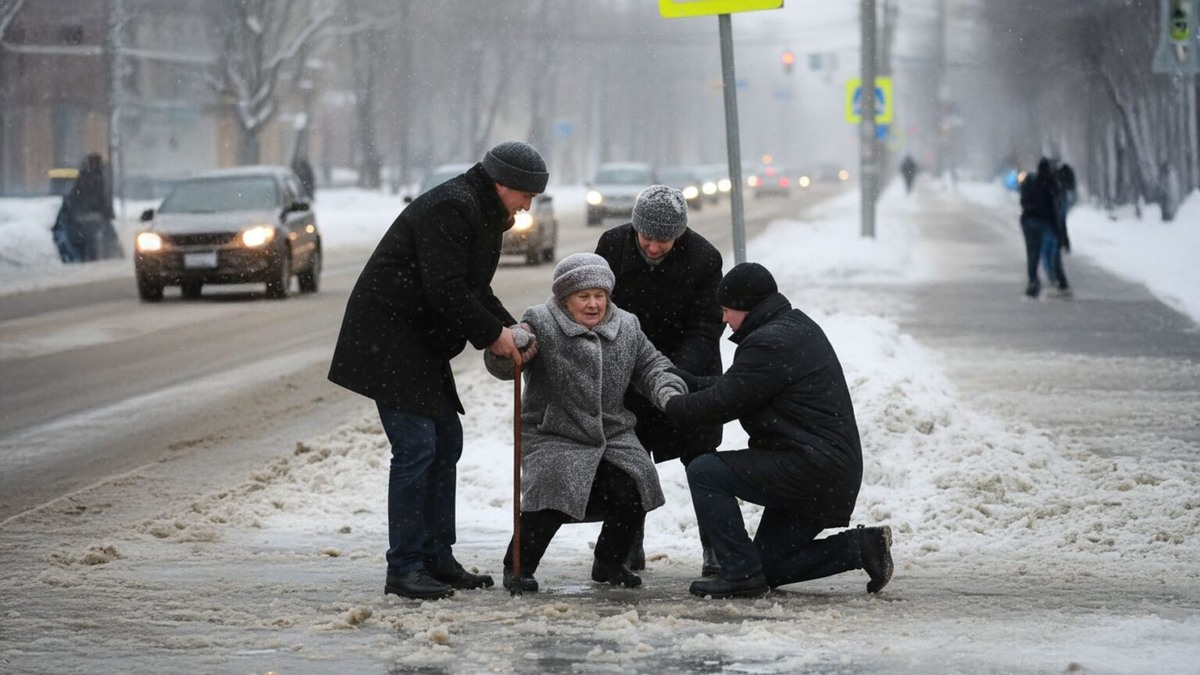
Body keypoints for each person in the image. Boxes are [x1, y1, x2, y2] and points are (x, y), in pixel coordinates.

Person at [328, 140, 549, 600]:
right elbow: (445, 289)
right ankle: (405, 567)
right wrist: (493, 335)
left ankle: (436, 556)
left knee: (446, 442)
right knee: (416, 448)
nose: (529, 205)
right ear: (503, 184)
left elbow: (473, 287)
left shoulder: (481, 210)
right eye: (527, 195)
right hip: (388, 337)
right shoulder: (453, 208)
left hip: (418, 342)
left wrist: (510, 326)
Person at [663, 263, 893, 599]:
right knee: (767, 568)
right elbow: (741, 387)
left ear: (746, 306)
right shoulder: (792, 327)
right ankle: (861, 548)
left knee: (704, 470)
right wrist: (690, 381)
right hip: (824, 472)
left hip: (810, 469)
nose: (724, 319)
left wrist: (667, 403)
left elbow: (722, 404)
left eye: (727, 310)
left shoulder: (768, 344)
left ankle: (739, 574)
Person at [484, 253, 687, 593]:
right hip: (553, 432)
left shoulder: (627, 326)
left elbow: (652, 366)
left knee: (636, 482)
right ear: (565, 298)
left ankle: (609, 562)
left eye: (600, 296)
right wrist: (510, 349)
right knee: (551, 489)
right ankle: (518, 566)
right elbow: (507, 368)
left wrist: (669, 391)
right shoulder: (541, 321)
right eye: (584, 296)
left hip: (612, 432)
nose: (593, 304)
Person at [594, 184, 725, 577]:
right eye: (647, 237)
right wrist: (628, 369)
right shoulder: (612, 246)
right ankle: (626, 547)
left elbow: (705, 327)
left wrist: (672, 376)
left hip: (687, 376)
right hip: (625, 376)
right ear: (635, 228)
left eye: (664, 240)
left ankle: (716, 547)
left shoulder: (704, 257)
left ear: (680, 234)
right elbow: (597, 309)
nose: (653, 247)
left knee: (703, 462)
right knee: (628, 464)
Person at [59, 153, 122, 261]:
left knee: (94, 234)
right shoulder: (97, 178)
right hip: (91, 215)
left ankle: (94, 254)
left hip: (83, 215)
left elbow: (76, 197)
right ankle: (110, 253)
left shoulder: (84, 177)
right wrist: (107, 212)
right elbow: (101, 198)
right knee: (104, 232)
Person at [1018, 157, 1062, 299]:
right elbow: (1053, 208)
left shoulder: (1030, 180)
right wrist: (1057, 228)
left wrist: (1028, 209)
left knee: (1031, 251)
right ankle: (1042, 279)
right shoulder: (1049, 183)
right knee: (1038, 251)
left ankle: (1033, 280)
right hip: (1041, 222)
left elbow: (1023, 200)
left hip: (1027, 220)